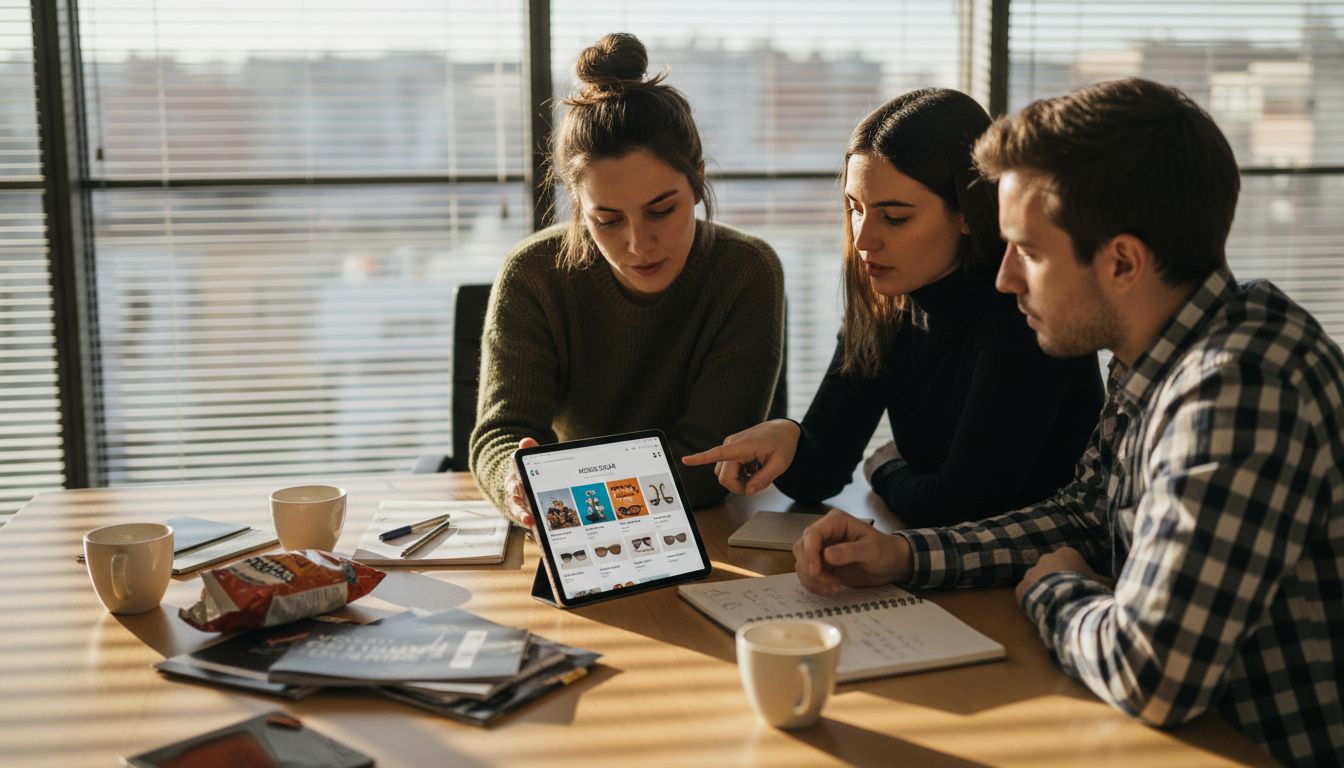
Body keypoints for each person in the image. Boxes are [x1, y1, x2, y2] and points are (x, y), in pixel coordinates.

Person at [793, 78, 1344, 766]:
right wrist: (904, 557)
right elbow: (1084, 516)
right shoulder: (1160, 355)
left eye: (1028, 250)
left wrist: (1056, 590)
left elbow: (1152, 673)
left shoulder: (1239, 389)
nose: (1004, 279)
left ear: (1121, 262)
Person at [683, 89, 1103, 527]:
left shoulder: (1026, 312)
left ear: (968, 210)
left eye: (895, 217)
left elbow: (962, 506)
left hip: (1028, 568)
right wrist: (788, 437)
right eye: (855, 209)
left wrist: (883, 466)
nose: (863, 240)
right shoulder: (888, 302)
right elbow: (819, 474)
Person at [470, 32, 785, 527]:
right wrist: (514, 479)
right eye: (608, 220)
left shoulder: (746, 272)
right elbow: (501, 435)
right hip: (570, 529)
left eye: (662, 210)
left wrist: (566, 490)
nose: (639, 244)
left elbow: (708, 462)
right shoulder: (533, 274)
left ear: (698, 181)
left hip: (698, 529)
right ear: (578, 206)